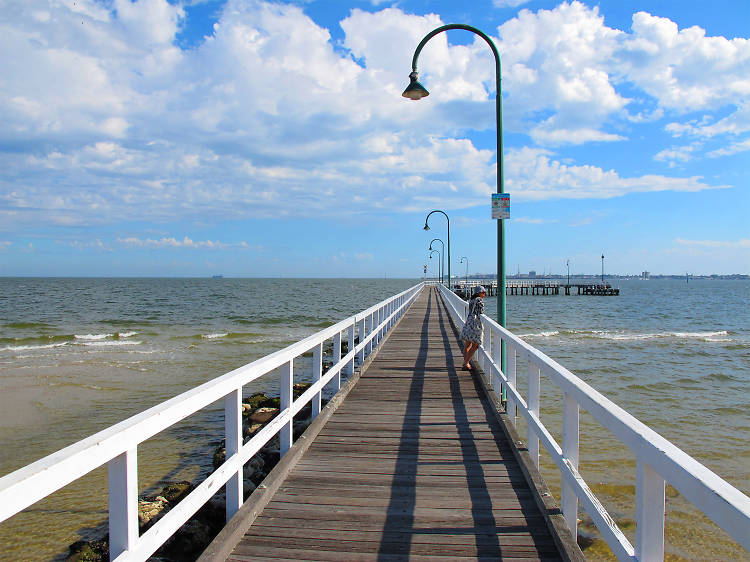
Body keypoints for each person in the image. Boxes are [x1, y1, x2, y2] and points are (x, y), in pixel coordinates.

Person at [460, 285, 486, 370]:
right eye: (483, 292)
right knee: (476, 345)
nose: (484, 294)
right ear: (479, 293)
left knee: (468, 344)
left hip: (469, 322)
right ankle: (466, 362)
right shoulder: (479, 300)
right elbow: (482, 312)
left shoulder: (471, 300)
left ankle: (466, 363)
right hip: (475, 324)